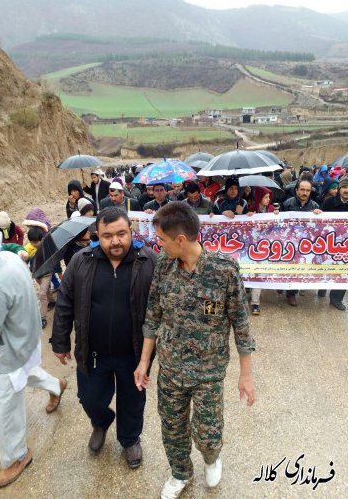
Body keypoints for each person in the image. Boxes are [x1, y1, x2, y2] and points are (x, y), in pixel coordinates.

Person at [134, 202, 255, 499]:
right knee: (172, 429)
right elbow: (153, 315)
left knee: (207, 433)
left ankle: (212, 457)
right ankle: (179, 473)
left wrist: (246, 375)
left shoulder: (223, 272)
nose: (157, 245)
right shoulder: (163, 267)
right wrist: (143, 362)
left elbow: (241, 325)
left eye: (161, 239)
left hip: (208, 373)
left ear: (180, 240)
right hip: (171, 369)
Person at [51, 208, 157, 468]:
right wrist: (61, 341)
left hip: (133, 353)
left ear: (131, 231)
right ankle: (101, 422)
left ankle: (130, 439)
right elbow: (65, 301)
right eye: (108, 235)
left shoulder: (148, 261)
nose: (116, 241)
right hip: (93, 351)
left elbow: (162, 307)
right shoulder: (81, 261)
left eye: (121, 234)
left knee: (133, 400)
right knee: (90, 398)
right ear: (97, 235)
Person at [0, 223, 66, 488]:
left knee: (3, 407)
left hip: (10, 349)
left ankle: (18, 456)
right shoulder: (10, 259)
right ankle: (56, 385)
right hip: (27, 337)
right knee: (27, 373)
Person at [281, 179, 322, 306]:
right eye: (302, 190)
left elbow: (319, 228)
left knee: (301, 267)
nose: (305, 193)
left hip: (306, 244)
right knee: (289, 266)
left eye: (308, 190)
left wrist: (319, 215)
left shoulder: (315, 206)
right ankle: (287, 290)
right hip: (289, 242)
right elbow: (279, 223)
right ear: (296, 190)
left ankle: (293, 292)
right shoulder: (287, 204)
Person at [247, 187, 278, 315]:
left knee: (258, 274)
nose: (268, 199)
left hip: (266, 248)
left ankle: (255, 302)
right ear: (259, 197)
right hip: (251, 247)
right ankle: (252, 299)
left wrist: (277, 217)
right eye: (265, 197)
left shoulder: (271, 210)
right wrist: (248, 217)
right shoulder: (251, 210)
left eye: (269, 197)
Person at [320, 174, 348, 310]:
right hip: (328, 242)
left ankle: (336, 299)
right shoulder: (328, 202)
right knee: (324, 266)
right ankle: (321, 287)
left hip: (345, 246)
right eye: (344, 187)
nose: (346, 190)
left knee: (343, 270)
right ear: (339, 188)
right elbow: (319, 223)